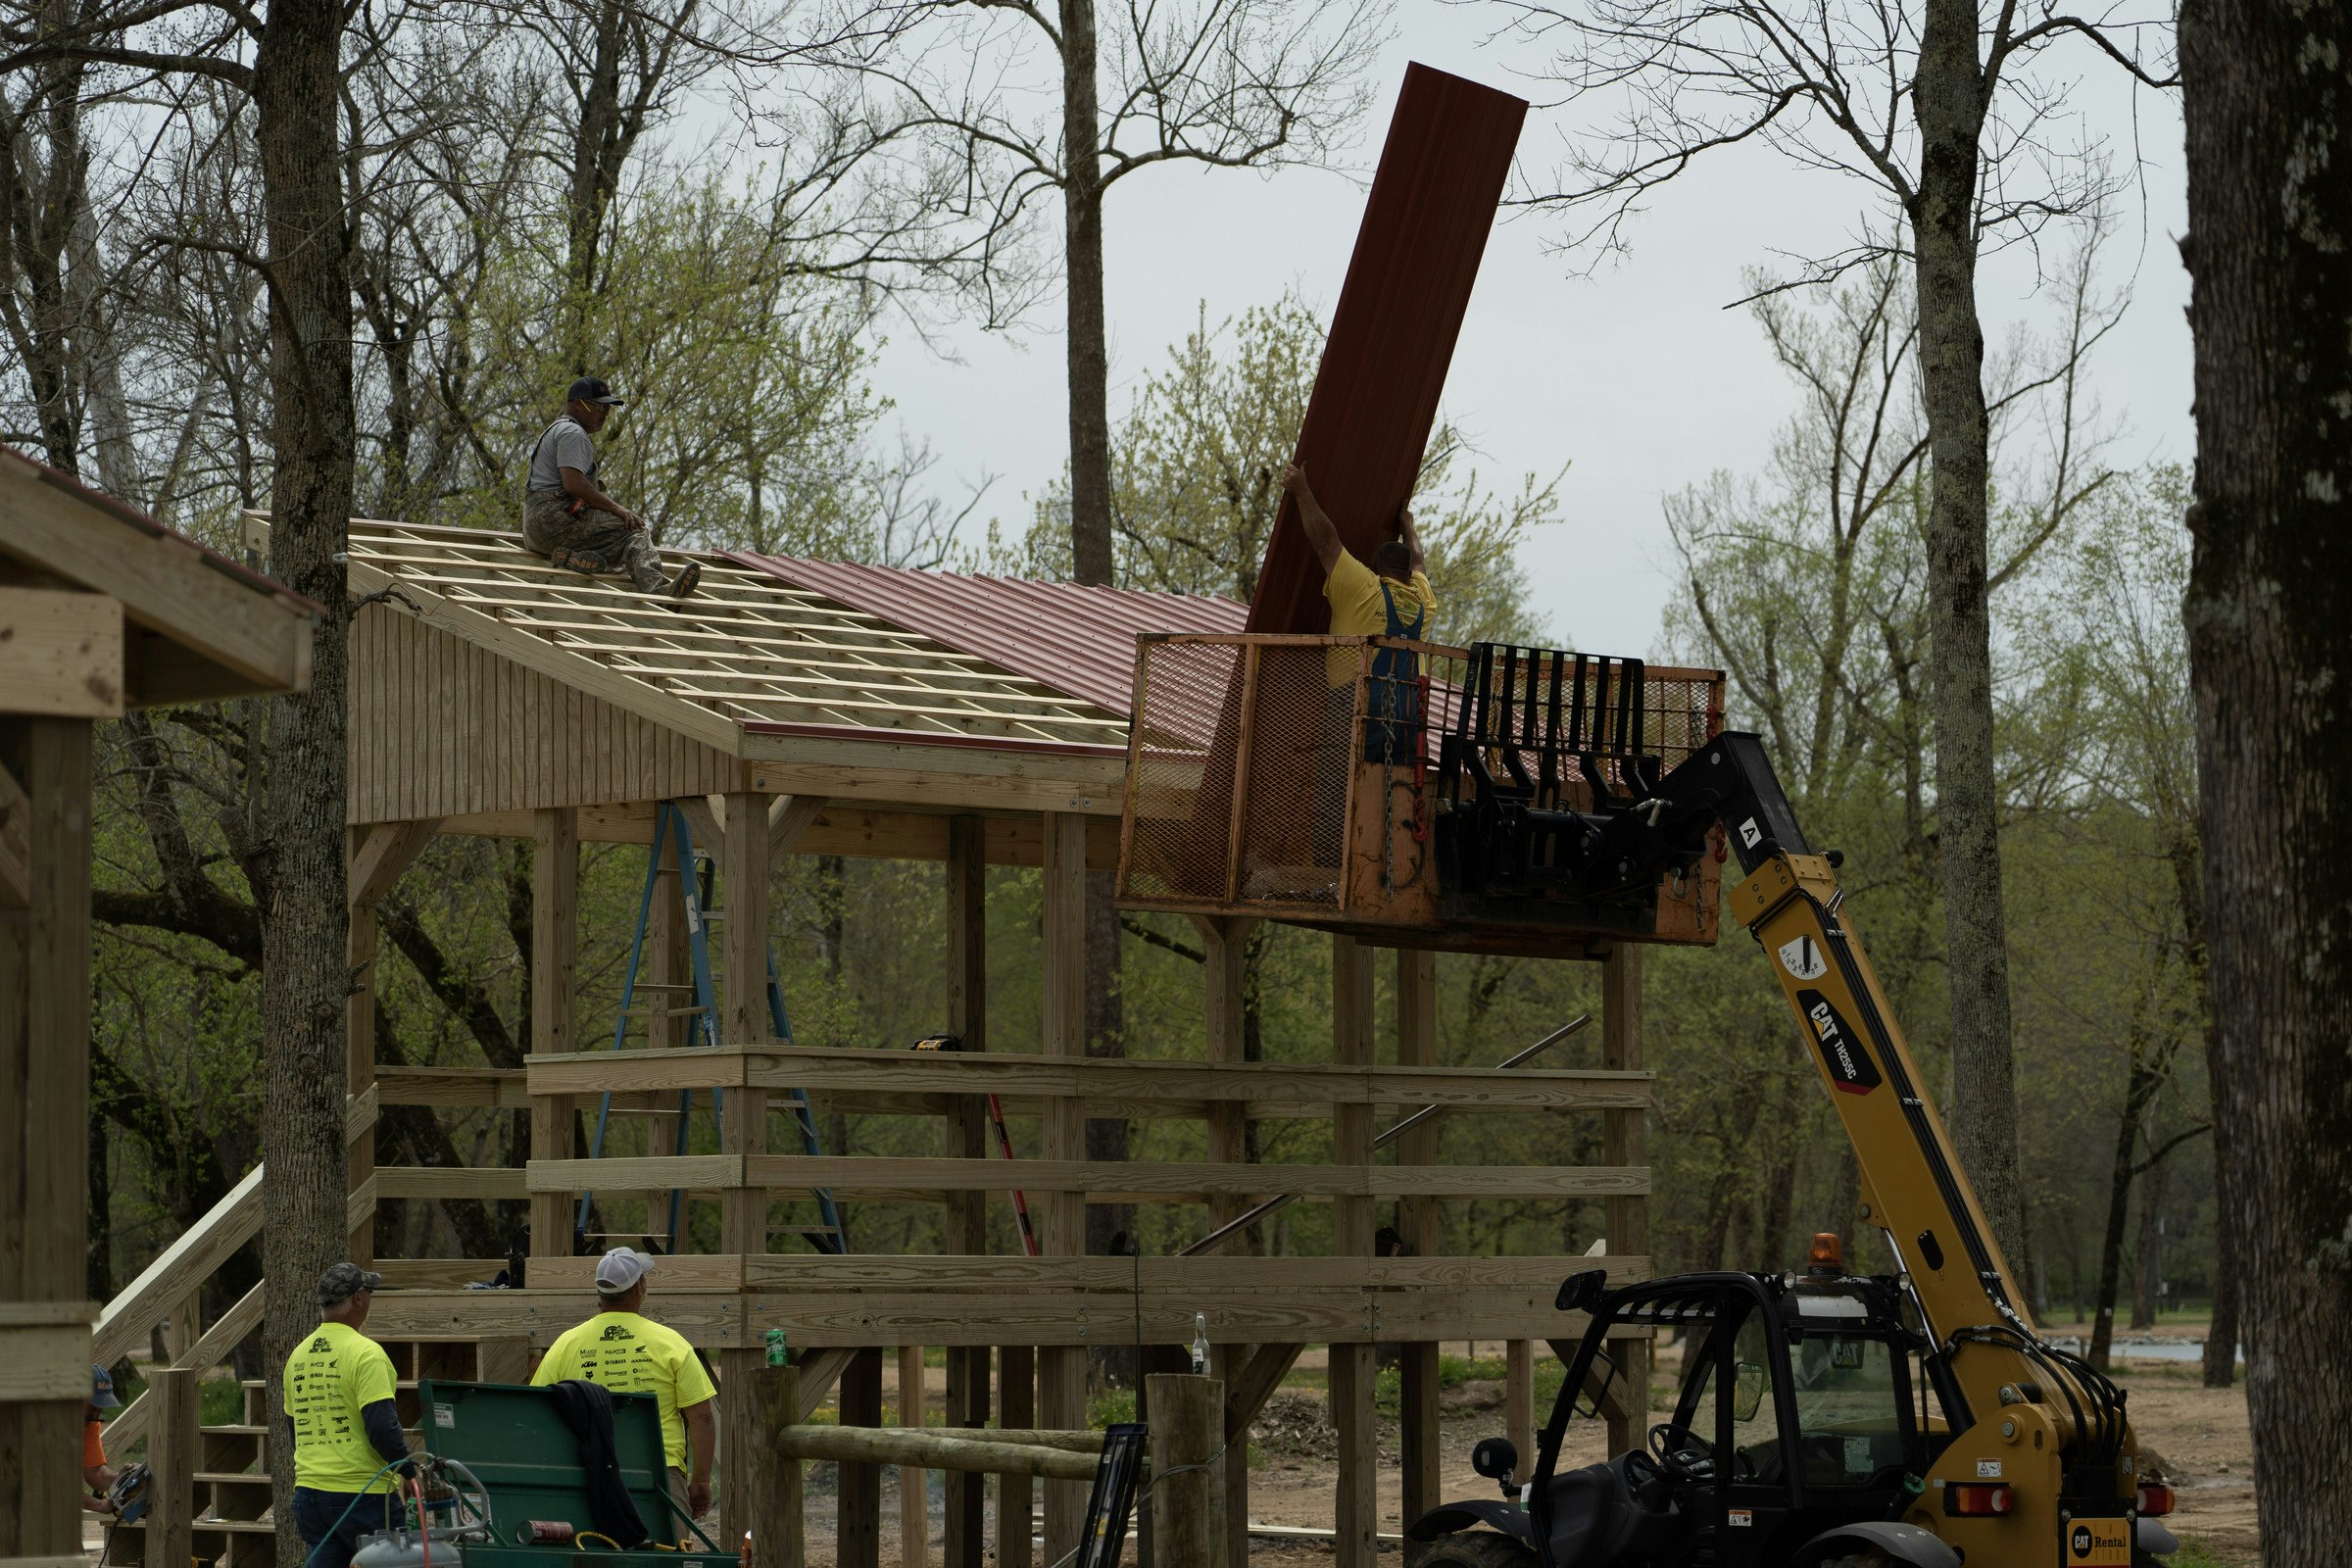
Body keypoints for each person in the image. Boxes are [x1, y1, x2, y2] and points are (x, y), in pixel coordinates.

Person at [1280, 462, 1438, 864]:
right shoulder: (1421, 601)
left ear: (1377, 568)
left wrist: (1301, 490)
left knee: (1337, 783)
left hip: (1355, 704)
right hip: (1406, 713)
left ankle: (1334, 870)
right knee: (1394, 785)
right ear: (1404, 575)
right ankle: (1393, 864)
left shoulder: (1363, 588)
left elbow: (1325, 542)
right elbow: (1418, 560)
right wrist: (1409, 523)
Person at [531, 1249, 717, 1530]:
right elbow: (701, 1417)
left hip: (588, 1471)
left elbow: (537, 1409)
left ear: (600, 1293)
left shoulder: (566, 1344)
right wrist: (701, 1481)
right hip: (660, 1473)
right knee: (671, 1556)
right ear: (640, 1287)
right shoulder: (671, 1343)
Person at [522, 377, 701, 598]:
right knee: (632, 530)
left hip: (538, 531)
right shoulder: (572, 433)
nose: (605, 412)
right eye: (599, 405)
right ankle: (660, 591)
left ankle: (571, 558)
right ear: (577, 404)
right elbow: (573, 483)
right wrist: (617, 509)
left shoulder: (559, 430)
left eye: (608, 406)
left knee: (615, 544)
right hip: (555, 520)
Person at [284, 1263, 409, 1568]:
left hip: (310, 1495)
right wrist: (409, 1469)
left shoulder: (297, 1357)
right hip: (363, 1496)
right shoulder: (366, 1354)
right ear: (358, 1299)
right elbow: (381, 1426)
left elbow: (294, 1430)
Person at [82, 1364, 121, 1514]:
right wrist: (98, 1505)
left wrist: (121, 1480)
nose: (96, 1416)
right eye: (93, 1407)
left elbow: (95, 1472)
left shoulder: (88, 1423)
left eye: (101, 1408)